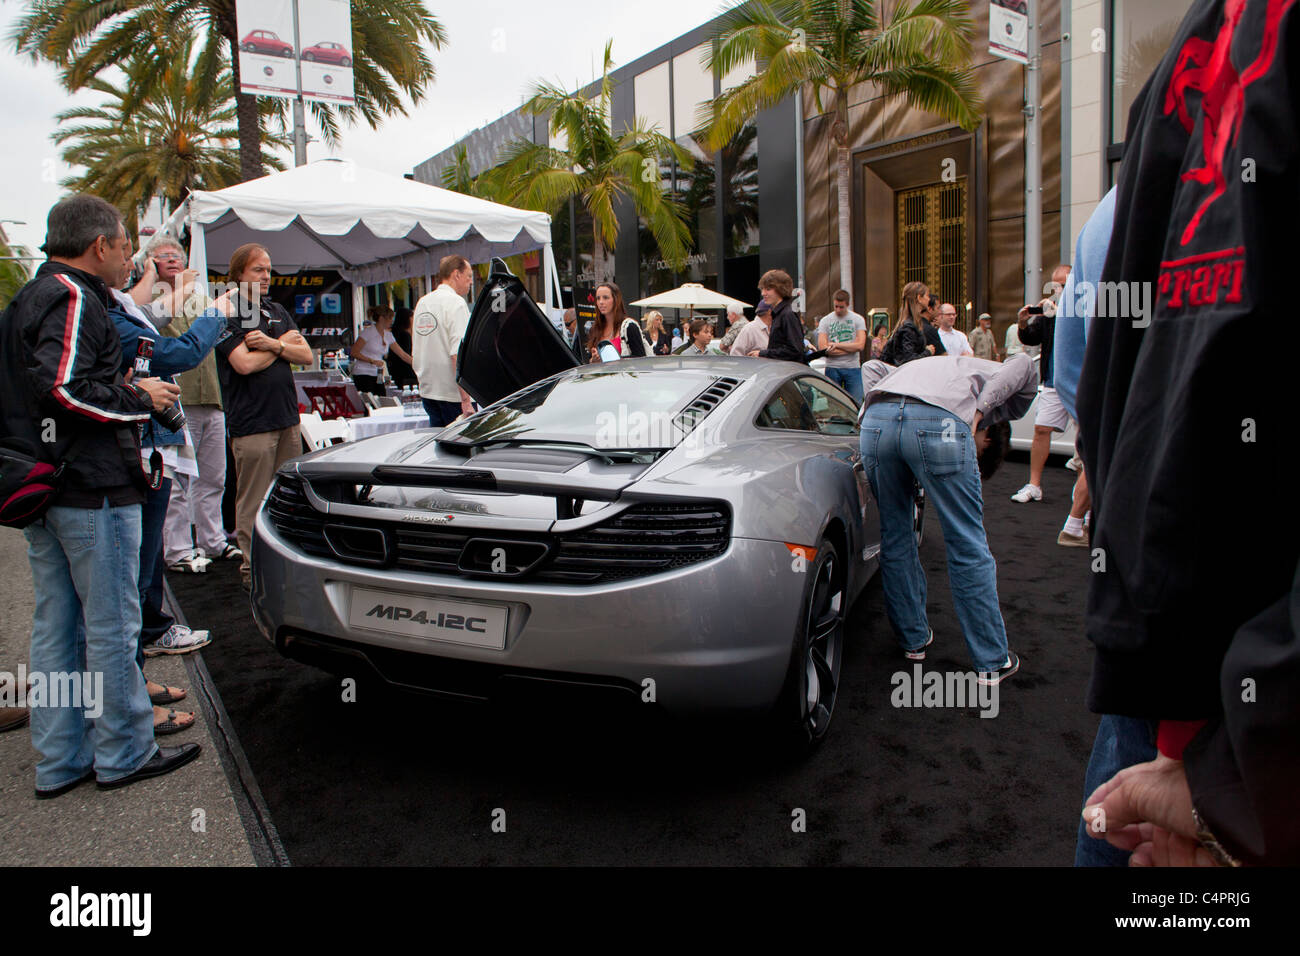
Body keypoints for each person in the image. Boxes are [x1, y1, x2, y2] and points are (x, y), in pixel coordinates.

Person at [1076, 0, 1299, 866]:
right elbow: (1121, 356)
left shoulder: (1196, 50)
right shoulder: (1198, 48)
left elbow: (1099, 363)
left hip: (1217, 713)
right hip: (1213, 724)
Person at [0, 194, 200, 795]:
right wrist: (142, 397)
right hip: (92, 488)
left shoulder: (27, 299)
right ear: (99, 246)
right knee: (110, 626)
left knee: (58, 629)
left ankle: (62, 759)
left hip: (49, 488)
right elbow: (64, 388)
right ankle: (124, 753)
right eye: (123, 246)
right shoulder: (72, 296)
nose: (128, 258)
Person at [859, 352, 1038, 682]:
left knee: (895, 534)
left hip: (877, 421)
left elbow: (871, 366)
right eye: (979, 451)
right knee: (966, 541)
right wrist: (978, 412)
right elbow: (1025, 362)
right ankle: (991, 660)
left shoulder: (930, 368)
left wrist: (877, 408)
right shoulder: (1001, 391)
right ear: (989, 434)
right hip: (940, 424)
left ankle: (913, 641)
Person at [214, 243, 314, 591]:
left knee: (287, 496)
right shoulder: (227, 311)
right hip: (252, 422)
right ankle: (252, 569)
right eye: (258, 270)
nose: (266, 276)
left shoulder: (276, 310)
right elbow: (242, 364)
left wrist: (271, 344)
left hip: (287, 418)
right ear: (239, 273)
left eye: (269, 270)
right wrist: (283, 346)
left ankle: (284, 561)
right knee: (254, 499)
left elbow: (307, 356)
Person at [152, 239, 240, 575]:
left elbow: (221, 335)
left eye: (177, 256)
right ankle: (177, 551)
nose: (173, 261)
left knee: (214, 476)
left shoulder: (204, 299)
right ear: (152, 264)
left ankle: (213, 541)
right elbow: (173, 340)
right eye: (165, 257)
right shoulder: (155, 301)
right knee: (176, 480)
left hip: (212, 398)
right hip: (176, 399)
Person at [1009, 264, 1072, 504]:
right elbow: (1031, 338)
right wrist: (1022, 323)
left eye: (1063, 285)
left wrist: (1061, 314)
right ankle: (1034, 485)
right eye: (1056, 285)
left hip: (1079, 381)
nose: (1058, 289)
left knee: (1085, 440)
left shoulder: (1086, 306)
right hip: (1053, 381)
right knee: (1041, 430)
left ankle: (1087, 495)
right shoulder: (1048, 312)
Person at [412, 255, 476, 427]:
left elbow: (419, 347)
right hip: (452, 394)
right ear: (456, 274)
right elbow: (457, 353)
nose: (471, 282)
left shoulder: (423, 302)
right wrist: (466, 399)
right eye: (469, 276)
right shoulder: (456, 304)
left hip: (429, 391)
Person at [816, 290, 868, 402]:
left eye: (841, 307)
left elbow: (860, 346)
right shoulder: (825, 320)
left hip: (852, 367)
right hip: (832, 367)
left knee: (855, 403)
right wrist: (850, 348)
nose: (838, 310)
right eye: (836, 306)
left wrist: (835, 345)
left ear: (847, 305)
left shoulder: (858, 319)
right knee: (833, 403)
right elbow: (823, 348)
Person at [350, 305, 413, 396]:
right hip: (363, 373)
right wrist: (371, 361)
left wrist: (415, 363)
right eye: (389, 318)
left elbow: (402, 354)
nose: (392, 320)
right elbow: (354, 352)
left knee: (381, 398)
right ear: (381, 318)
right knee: (370, 401)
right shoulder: (367, 333)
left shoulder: (388, 335)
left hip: (378, 374)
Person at [747, 269, 803, 361]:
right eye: (762, 289)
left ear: (781, 289)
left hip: (788, 371)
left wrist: (762, 353)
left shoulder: (787, 314)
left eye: (768, 289)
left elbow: (795, 350)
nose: (763, 293)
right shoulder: (782, 313)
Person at [880, 282, 934, 366]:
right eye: (927, 295)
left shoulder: (908, 324)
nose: (929, 299)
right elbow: (908, 360)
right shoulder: (908, 327)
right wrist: (928, 352)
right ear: (919, 298)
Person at [387, 307, 418, 388]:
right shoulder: (404, 335)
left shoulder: (393, 332)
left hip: (395, 370)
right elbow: (405, 355)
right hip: (406, 373)